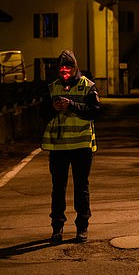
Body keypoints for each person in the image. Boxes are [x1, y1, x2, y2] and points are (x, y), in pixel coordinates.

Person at [39, 49, 100, 243]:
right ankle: (57, 229)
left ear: (75, 68)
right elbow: (41, 114)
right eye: (62, 69)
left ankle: (82, 227)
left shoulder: (88, 86)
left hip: (82, 146)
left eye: (68, 68)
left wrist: (72, 105)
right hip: (58, 148)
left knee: (81, 188)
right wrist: (52, 108)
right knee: (58, 189)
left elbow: (95, 112)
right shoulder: (52, 88)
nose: (65, 72)